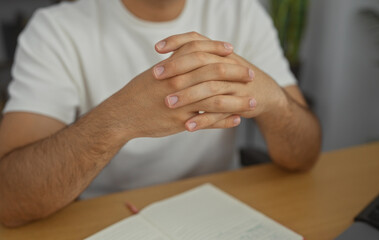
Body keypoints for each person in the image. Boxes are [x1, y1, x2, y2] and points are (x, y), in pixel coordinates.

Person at [0, 0, 321, 227]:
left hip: (220, 215)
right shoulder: (55, 30)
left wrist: (274, 100)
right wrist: (120, 118)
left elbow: (304, 156)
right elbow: (9, 199)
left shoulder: (241, 11)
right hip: (108, 218)